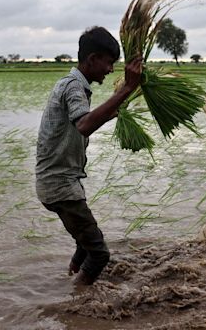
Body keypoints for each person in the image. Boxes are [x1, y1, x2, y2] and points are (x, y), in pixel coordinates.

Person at [35, 26, 142, 285]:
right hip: (60, 186)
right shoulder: (73, 87)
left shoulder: (73, 85)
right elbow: (84, 124)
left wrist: (116, 104)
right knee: (99, 254)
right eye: (108, 63)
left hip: (61, 183)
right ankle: (74, 303)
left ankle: (70, 275)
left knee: (84, 245)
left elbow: (82, 123)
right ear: (92, 59)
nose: (110, 70)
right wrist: (127, 88)